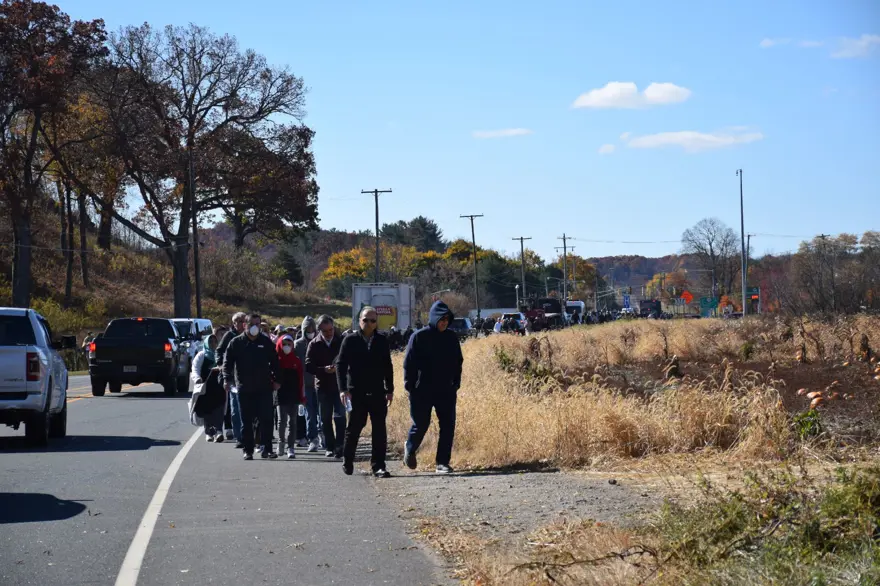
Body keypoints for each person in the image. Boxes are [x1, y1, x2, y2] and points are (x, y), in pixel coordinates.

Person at [403, 300, 464, 474]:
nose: (444, 322)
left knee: (448, 425)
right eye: (441, 319)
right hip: (421, 390)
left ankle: (442, 462)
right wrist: (410, 385)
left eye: (446, 319)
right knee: (421, 424)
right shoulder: (419, 337)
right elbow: (409, 363)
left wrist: (455, 382)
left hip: (446, 389)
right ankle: (410, 447)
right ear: (433, 318)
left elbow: (458, 361)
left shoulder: (451, 337)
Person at [337, 307, 394, 478]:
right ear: (359, 321)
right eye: (365, 320)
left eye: (372, 320)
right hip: (356, 392)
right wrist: (343, 390)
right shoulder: (350, 340)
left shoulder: (382, 341)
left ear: (376, 322)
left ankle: (378, 466)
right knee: (354, 428)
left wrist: (390, 389)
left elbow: (387, 366)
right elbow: (340, 365)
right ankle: (348, 460)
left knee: (379, 430)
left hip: (377, 391)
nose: (369, 323)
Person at [222, 313, 281, 460]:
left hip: (264, 388)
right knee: (246, 421)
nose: (255, 327)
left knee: (266, 420)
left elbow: (275, 362)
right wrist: (227, 379)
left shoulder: (265, 342)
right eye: (251, 324)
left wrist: (277, 380)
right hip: (244, 388)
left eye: (257, 324)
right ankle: (248, 450)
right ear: (244, 325)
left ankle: (267, 449)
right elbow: (227, 363)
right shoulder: (236, 342)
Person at [305, 315, 345, 459]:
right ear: (319, 330)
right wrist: (323, 370)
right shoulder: (314, 344)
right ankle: (330, 446)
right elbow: (308, 365)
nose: (329, 333)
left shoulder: (341, 342)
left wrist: (339, 369)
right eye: (325, 331)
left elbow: (350, 361)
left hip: (340, 386)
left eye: (331, 330)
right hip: (322, 386)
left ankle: (340, 446)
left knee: (340, 417)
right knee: (325, 418)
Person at [189, 334, 227, 442]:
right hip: (205, 387)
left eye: (215, 342)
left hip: (219, 387)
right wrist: (197, 379)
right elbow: (195, 368)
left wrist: (221, 369)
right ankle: (209, 432)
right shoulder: (201, 355)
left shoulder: (220, 354)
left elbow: (226, 366)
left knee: (219, 408)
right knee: (207, 409)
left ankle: (219, 431)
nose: (213, 344)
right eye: (210, 342)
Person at [217, 312, 247, 444]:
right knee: (235, 409)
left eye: (242, 321)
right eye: (237, 321)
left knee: (247, 409)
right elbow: (219, 351)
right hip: (233, 377)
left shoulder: (250, 335)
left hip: (248, 376)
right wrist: (221, 365)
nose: (239, 324)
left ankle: (248, 435)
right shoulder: (229, 336)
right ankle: (238, 437)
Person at [275, 333, 304, 459]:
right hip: (280, 394)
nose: (286, 346)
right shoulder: (276, 360)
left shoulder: (296, 361)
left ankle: (291, 447)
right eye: (284, 344)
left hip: (294, 394)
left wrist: (302, 396)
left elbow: (300, 379)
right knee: (281, 421)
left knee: (293, 421)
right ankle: (281, 442)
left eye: (289, 344)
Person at [295, 317, 321, 452]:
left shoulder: (319, 342)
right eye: (307, 329)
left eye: (312, 328)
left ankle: (323, 436)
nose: (310, 331)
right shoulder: (297, 345)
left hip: (320, 383)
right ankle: (313, 439)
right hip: (305, 385)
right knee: (309, 414)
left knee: (322, 413)